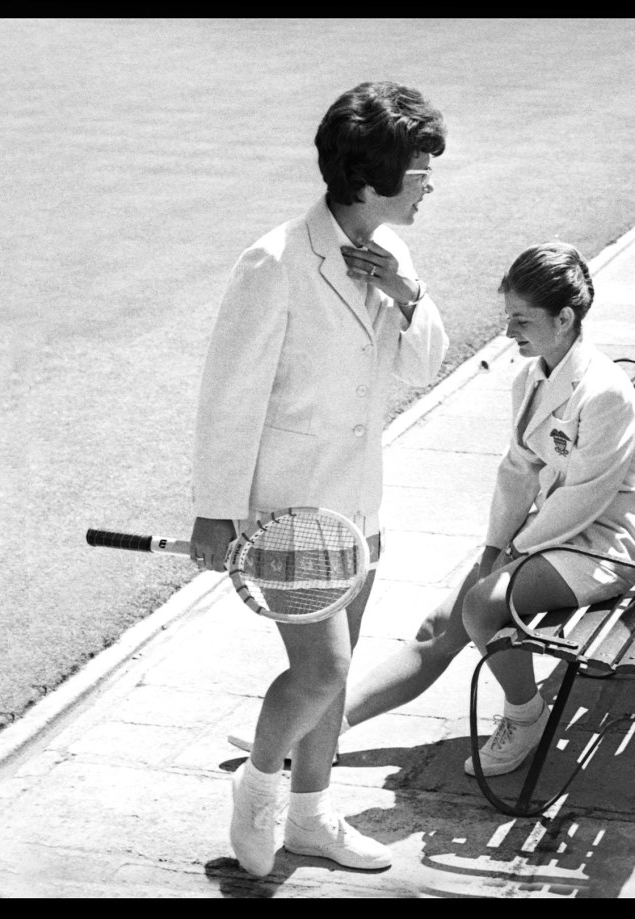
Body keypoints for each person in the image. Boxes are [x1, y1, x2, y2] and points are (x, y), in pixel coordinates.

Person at [232, 241, 635, 782]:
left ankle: (525, 716)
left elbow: (585, 500)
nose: (508, 333)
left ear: (565, 317)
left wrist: (510, 558)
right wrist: (492, 548)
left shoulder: (606, 393)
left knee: (482, 605)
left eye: (521, 320)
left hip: (604, 544)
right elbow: (516, 471)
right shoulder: (531, 376)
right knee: (438, 626)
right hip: (547, 537)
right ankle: (320, 729)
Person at [191, 81, 449, 875]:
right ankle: (258, 786)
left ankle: (312, 817)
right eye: (419, 169)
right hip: (290, 510)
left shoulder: (391, 251)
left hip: (359, 503)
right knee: (323, 669)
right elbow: (228, 395)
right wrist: (214, 511)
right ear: (369, 179)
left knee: (335, 678)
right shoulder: (273, 263)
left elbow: (425, 362)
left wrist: (409, 296)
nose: (431, 182)